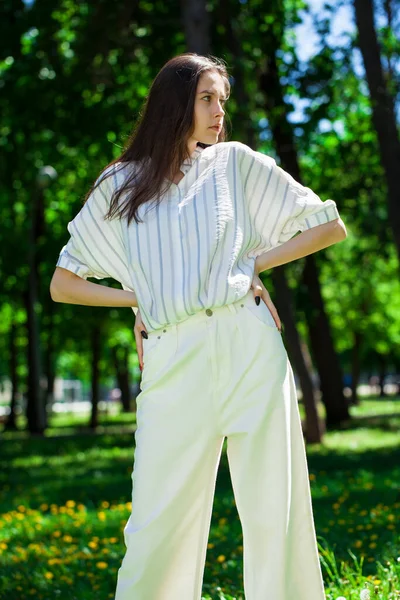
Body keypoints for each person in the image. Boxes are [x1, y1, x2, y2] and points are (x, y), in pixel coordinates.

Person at [50, 52, 347, 600]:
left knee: (273, 511)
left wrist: (251, 263)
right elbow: (63, 282)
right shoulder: (120, 184)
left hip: (248, 343)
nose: (218, 112)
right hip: (173, 357)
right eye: (207, 98)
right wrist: (141, 296)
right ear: (174, 102)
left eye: (223, 101)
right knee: (155, 525)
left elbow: (327, 227)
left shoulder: (234, 163)